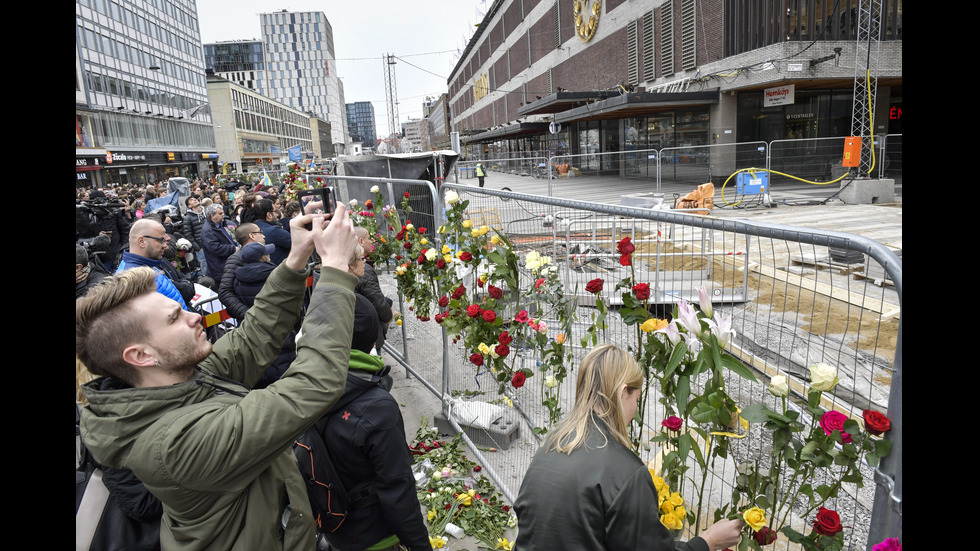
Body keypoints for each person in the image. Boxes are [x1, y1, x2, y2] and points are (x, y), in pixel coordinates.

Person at [77, 206, 360, 551]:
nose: (194, 317)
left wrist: (297, 258)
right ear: (141, 356)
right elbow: (312, 384)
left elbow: (252, 339)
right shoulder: (174, 446)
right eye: (174, 318)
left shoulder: (174, 383)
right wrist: (334, 269)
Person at [513, 345, 743, 551]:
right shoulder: (626, 473)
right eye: (636, 398)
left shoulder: (552, 444)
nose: (635, 408)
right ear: (623, 392)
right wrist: (708, 541)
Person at [316, 276, 431, 551]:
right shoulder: (376, 407)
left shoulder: (308, 383)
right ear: (371, 333)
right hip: (374, 536)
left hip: (335, 527)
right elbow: (396, 489)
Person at [117, 218, 194, 310]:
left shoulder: (149, 265)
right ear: (142, 241)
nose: (165, 246)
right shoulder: (133, 279)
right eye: (161, 240)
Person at [218, 222, 266, 323]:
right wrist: (247, 314)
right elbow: (224, 292)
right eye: (260, 232)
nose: (263, 236)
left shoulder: (262, 254)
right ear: (252, 236)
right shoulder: (236, 259)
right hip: (252, 322)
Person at [201, 203, 238, 282]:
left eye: (223, 213)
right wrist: (233, 249)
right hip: (220, 266)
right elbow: (215, 248)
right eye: (220, 213)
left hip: (229, 261)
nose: (223, 215)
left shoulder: (223, 223)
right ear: (212, 216)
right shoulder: (208, 230)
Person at [252, 198, 292, 265]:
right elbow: (298, 244)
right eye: (275, 211)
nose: (277, 215)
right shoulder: (274, 231)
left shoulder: (251, 229)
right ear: (269, 215)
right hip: (281, 271)